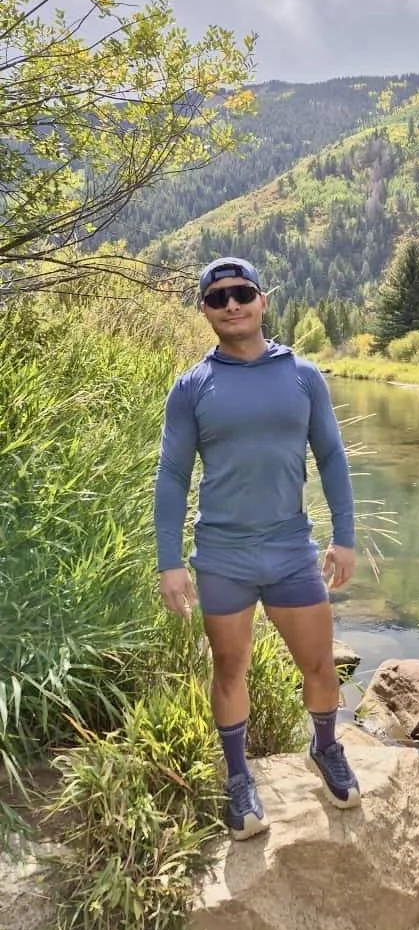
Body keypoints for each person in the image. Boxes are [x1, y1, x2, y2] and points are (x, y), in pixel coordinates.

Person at [154, 256, 360, 840]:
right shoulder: (191, 387)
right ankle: (239, 777)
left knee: (319, 664)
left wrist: (344, 537)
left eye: (242, 293)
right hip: (222, 555)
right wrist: (170, 561)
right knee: (229, 667)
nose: (232, 304)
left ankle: (326, 747)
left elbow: (331, 456)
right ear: (204, 311)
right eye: (218, 297)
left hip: (291, 549)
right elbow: (172, 475)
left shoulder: (303, 375)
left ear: (262, 300)